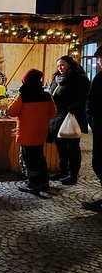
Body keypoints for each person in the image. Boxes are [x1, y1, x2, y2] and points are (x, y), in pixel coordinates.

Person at [7, 68, 57, 194]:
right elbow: (53, 114)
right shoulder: (46, 96)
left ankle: (33, 183)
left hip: (26, 133)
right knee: (40, 157)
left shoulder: (23, 96)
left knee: (29, 159)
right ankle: (44, 182)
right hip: (40, 133)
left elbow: (11, 112)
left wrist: (13, 100)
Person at [47, 55, 90, 185]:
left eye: (63, 65)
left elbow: (84, 97)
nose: (60, 68)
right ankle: (62, 171)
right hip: (58, 115)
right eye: (58, 65)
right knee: (60, 145)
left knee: (72, 146)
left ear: (70, 65)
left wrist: (73, 107)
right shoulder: (57, 78)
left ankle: (73, 174)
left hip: (72, 116)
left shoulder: (79, 79)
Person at [83, 46, 102, 211]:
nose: (97, 63)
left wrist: (92, 120)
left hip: (101, 126)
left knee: (99, 163)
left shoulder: (100, 78)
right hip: (98, 124)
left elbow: (92, 101)